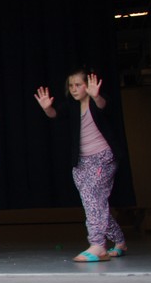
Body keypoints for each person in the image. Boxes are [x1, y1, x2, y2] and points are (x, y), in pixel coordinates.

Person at [34, 69, 127, 262]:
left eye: (78, 85)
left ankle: (97, 245)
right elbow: (55, 114)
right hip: (82, 161)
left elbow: (104, 106)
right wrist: (46, 108)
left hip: (103, 157)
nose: (74, 89)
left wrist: (96, 96)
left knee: (93, 199)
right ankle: (119, 241)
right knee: (94, 203)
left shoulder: (97, 100)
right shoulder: (72, 105)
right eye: (71, 86)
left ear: (88, 85)